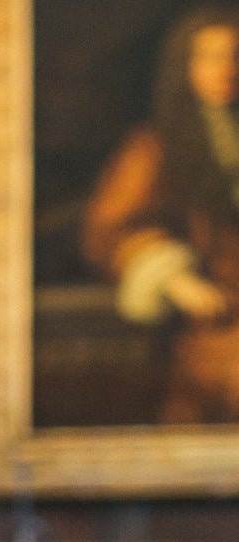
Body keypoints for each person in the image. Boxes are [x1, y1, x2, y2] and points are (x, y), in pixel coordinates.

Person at [83, 7, 239, 422]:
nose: (226, 69)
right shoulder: (154, 147)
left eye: (234, 56)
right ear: (186, 65)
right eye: (210, 56)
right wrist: (174, 277)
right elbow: (108, 229)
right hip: (213, 326)